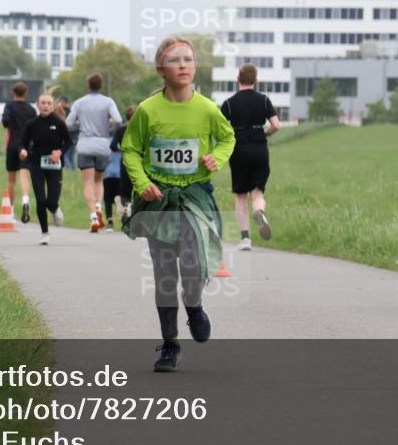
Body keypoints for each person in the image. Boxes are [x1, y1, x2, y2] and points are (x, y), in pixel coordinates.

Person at [122, 36, 235, 373]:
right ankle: (170, 344)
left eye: (188, 59)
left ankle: (195, 305)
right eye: (175, 60)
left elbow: (228, 137)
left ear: (195, 67)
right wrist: (143, 184)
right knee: (164, 275)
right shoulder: (147, 110)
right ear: (161, 69)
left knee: (194, 265)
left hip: (194, 197)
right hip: (160, 200)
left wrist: (217, 157)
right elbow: (130, 150)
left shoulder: (208, 109)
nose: (183, 65)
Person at [221, 64, 282, 251]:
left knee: (240, 195)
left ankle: (245, 239)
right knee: (257, 191)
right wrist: (264, 134)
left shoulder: (229, 103)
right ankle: (258, 210)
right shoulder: (264, 100)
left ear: (237, 79)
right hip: (259, 148)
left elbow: (220, 129)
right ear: (256, 81)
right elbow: (276, 125)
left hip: (238, 149)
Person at [67, 73, 123, 232]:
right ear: (101, 86)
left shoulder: (79, 103)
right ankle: (98, 207)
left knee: (87, 183)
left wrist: (80, 128)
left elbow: (69, 123)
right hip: (103, 145)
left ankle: (93, 216)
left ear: (88, 85)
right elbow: (118, 120)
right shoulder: (108, 101)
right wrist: (110, 130)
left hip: (85, 144)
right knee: (99, 181)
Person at [19, 92, 72, 245]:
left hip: (54, 165)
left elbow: (68, 142)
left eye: (49, 103)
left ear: (53, 106)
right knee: (41, 200)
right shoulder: (32, 124)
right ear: (38, 104)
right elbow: (23, 143)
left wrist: (60, 152)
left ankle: (55, 209)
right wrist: (22, 151)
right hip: (36, 164)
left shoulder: (59, 123)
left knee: (51, 201)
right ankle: (44, 232)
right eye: (43, 103)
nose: (46, 106)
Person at [2, 82, 38, 224]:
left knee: (11, 180)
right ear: (26, 93)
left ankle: (10, 211)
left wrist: (11, 123)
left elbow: (5, 121)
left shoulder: (9, 106)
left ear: (13, 93)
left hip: (12, 145)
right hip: (27, 146)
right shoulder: (31, 109)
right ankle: (25, 201)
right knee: (25, 176)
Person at [106, 105, 137, 230]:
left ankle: (126, 206)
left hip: (125, 161)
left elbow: (112, 146)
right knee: (140, 190)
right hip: (139, 162)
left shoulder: (120, 130)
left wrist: (121, 150)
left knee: (124, 191)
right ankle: (133, 212)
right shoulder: (142, 129)